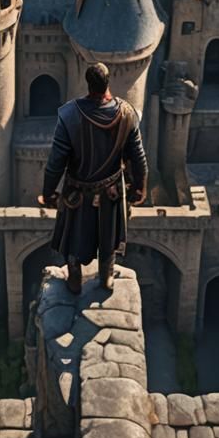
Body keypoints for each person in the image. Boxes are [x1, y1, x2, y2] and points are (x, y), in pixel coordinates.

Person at [37, 62, 147, 294]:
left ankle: (74, 277)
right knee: (108, 235)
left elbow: (56, 161)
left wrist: (48, 193)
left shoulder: (69, 114)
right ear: (108, 82)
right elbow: (138, 158)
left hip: (78, 191)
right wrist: (140, 187)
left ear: (88, 83)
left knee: (75, 235)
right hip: (112, 190)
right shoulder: (127, 112)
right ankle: (106, 277)